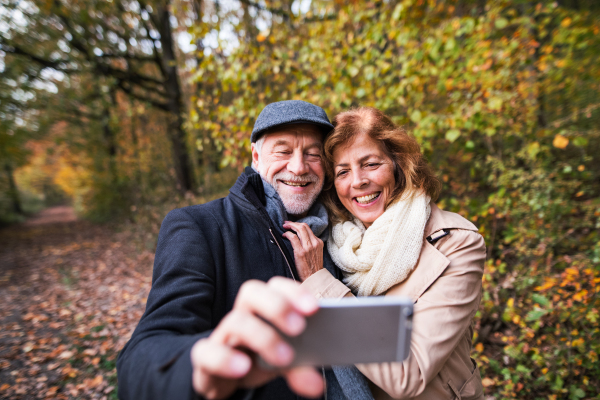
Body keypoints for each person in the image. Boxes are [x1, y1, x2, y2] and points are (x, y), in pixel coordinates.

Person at [116, 100, 348, 400]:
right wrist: (197, 366)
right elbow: (139, 360)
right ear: (256, 156)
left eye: (313, 154)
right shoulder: (199, 227)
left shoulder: (343, 235)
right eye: (283, 151)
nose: (299, 166)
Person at [294, 107, 486, 400]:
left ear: (398, 164)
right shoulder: (334, 243)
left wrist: (320, 284)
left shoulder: (456, 243)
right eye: (343, 171)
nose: (357, 181)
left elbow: (409, 374)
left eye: (370, 164)